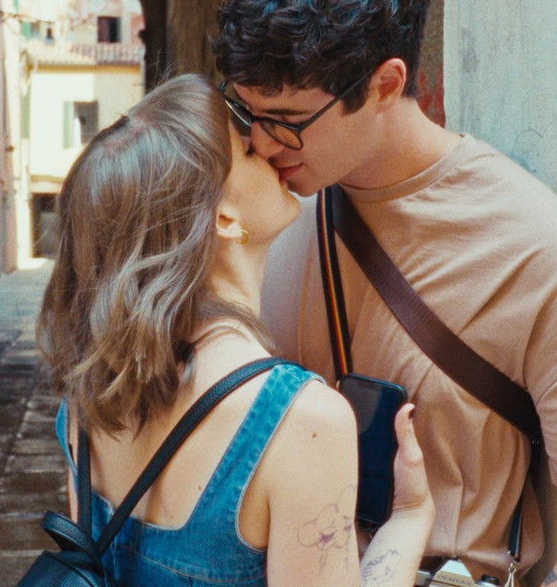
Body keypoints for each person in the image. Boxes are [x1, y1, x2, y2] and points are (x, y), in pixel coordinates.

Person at [213, 0, 557, 586]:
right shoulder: (260, 208)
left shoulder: (536, 248)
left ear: (385, 84)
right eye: (244, 110)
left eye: (285, 119)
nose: (260, 141)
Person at [38, 74, 434, 586]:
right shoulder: (301, 421)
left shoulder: (89, 396)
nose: (271, 151)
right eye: (248, 151)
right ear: (222, 217)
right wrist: (410, 517)